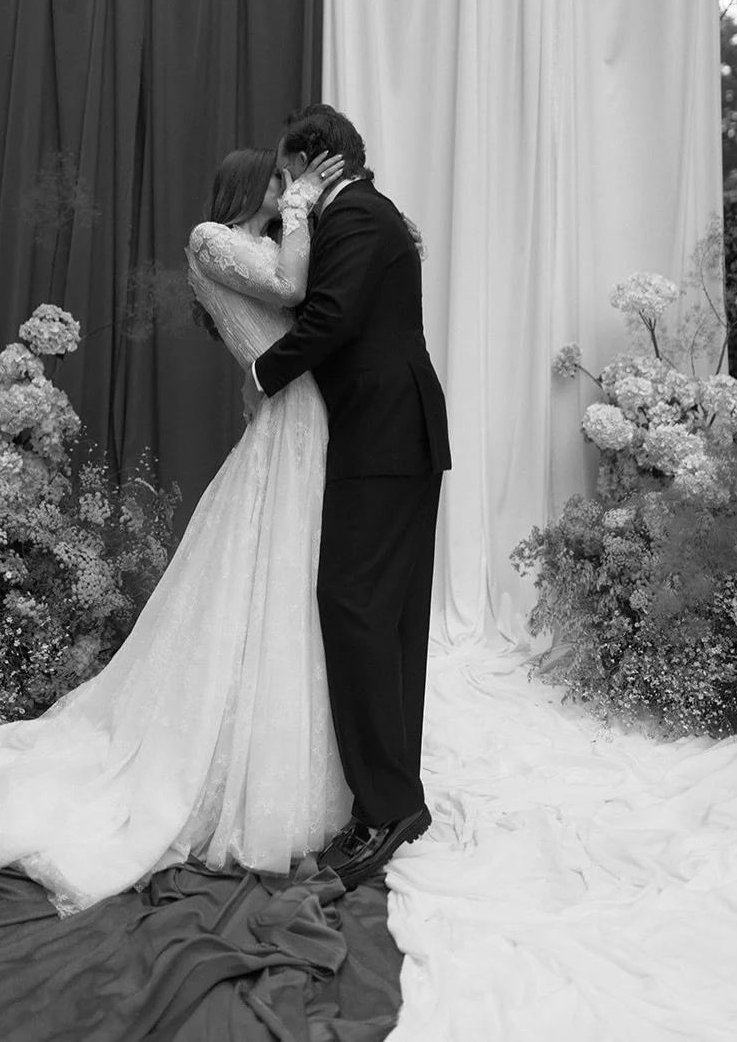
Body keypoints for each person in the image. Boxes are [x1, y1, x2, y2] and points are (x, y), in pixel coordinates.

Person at [0, 146, 354, 916]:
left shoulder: (266, 245)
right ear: (249, 186)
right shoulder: (210, 238)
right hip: (287, 416)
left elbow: (305, 297)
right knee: (261, 573)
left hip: (300, 414)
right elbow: (293, 289)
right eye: (276, 179)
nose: (287, 187)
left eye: (290, 181)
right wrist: (303, 206)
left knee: (288, 579)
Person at [252, 105, 451, 892]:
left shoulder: (359, 215)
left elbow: (331, 317)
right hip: (390, 430)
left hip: (385, 430)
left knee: (353, 604)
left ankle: (385, 808)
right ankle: (396, 795)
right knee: (383, 611)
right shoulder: (369, 212)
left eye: (284, 168)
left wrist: (263, 372)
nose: (281, 184)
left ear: (311, 160)